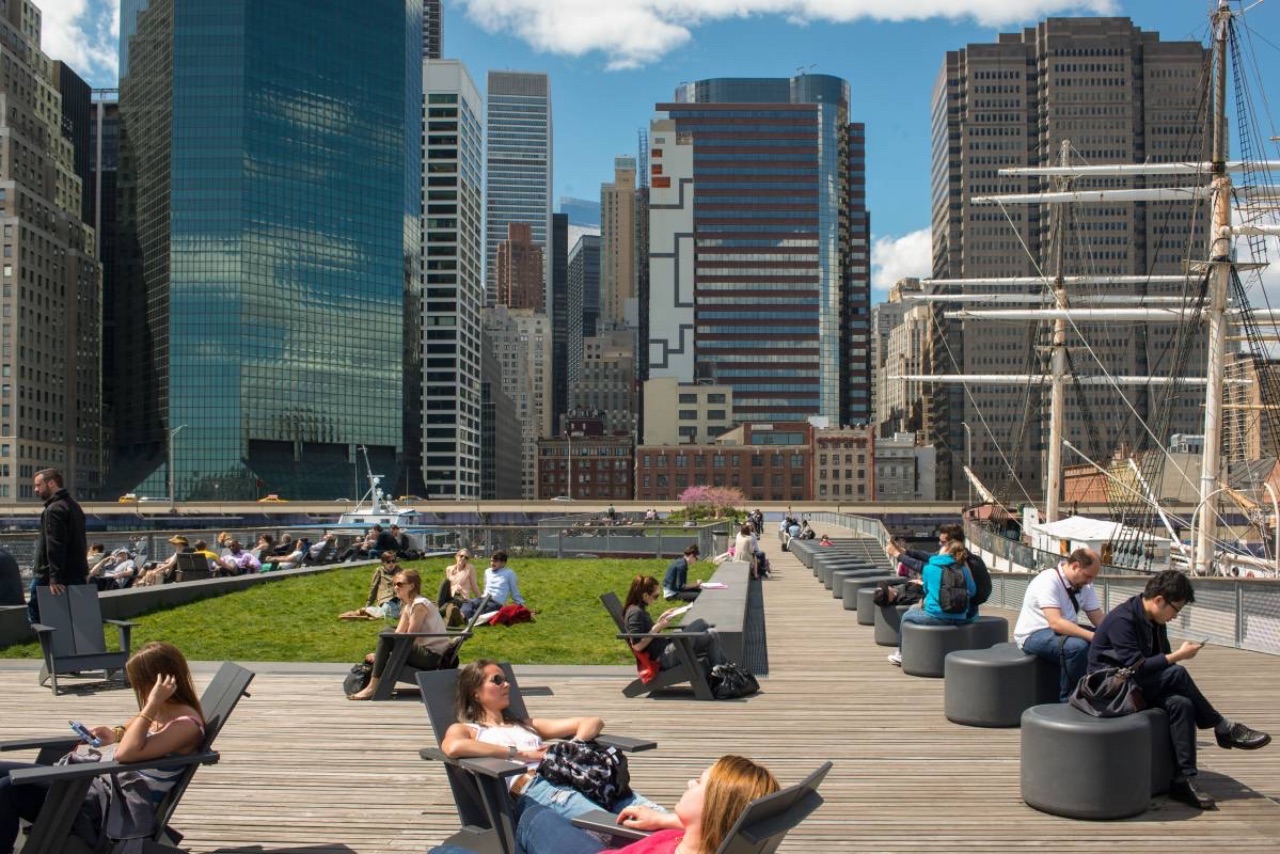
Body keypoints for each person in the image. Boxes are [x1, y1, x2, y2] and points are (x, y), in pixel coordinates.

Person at [1088, 570, 1270, 810]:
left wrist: (1172, 658)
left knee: (1181, 704)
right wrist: (1178, 656)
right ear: (1159, 600)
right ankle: (1223, 727)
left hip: (1133, 685)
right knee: (1178, 672)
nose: (1176, 616)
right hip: (1109, 689)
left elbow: (1157, 664)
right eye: (1176, 609)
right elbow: (1138, 668)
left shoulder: (1155, 621)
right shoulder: (1123, 619)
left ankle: (1184, 779)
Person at [0, 641, 206, 853]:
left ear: (155, 683)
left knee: (6, 789)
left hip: (109, 804)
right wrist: (113, 733)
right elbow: (128, 731)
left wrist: (151, 704)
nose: (135, 687)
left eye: (137, 682)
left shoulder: (185, 725)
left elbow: (126, 753)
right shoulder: (161, 711)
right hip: (96, 783)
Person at [439, 660, 661, 822]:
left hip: (579, 779)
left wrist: (572, 746)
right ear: (475, 693)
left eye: (506, 680)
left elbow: (592, 721)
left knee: (659, 817)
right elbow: (453, 747)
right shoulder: (469, 730)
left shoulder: (526, 724)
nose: (506, 685)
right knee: (619, 828)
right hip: (538, 789)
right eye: (497, 681)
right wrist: (518, 754)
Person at [511, 754, 780, 854]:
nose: (689, 783)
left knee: (530, 814)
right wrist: (667, 820)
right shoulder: (710, 840)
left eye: (699, 782)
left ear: (714, 807)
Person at [1013, 548, 1105, 701]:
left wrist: (1113, 635)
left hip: (1061, 630)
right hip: (1034, 633)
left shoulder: (1085, 584)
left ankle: (1096, 691)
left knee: (1103, 641)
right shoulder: (1048, 580)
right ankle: (1069, 700)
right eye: (1088, 576)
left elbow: (1098, 617)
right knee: (1077, 648)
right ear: (1075, 566)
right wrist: (1093, 636)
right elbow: (1056, 623)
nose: (1090, 582)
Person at [348, 568, 451, 700]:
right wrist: (381, 655)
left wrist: (387, 655)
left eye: (400, 584)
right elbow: (399, 634)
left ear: (412, 586)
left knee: (387, 633)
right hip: (424, 653)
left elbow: (409, 637)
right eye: (394, 584)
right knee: (387, 632)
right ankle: (373, 685)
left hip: (432, 657)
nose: (396, 587)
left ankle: (373, 686)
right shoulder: (409, 606)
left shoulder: (419, 605)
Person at [888, 539, 977, 666]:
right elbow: (972, 591)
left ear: (945, 551)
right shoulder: (963, 569)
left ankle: (901, 654)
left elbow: (926, 590)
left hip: (937, 617)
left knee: (907, 617)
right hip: (961, 616)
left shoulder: (930, 568)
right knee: (915, 610)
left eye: (942, 546)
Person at [623, 575, 728, 673]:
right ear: (645, 595)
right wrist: (657, 627)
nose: (656, 600)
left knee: (711, 632)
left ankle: (721, 672)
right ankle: (723, 674)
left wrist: (661, 619)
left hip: (666, 649)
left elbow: (648, 633)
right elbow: (637, 646)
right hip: (663, 657)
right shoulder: (635, 613)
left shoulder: (638, 610)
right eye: (655, 596)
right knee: (702, 623)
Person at [28, 468, 88, 623]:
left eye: (38, 485)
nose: (36, 489)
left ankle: (43, 645)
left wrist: (55, 578)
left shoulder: (54, 509)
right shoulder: (74, 506)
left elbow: (55, 543)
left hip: (48, 574)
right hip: (75, 572)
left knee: (37, 615)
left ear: (51, 483)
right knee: (72, 620)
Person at [339, 552, 402, 620]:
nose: (391, 563)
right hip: (386, 599)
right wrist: (368, 604)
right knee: (387, 609)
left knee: (396, 613)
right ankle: (363, 611)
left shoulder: (401, 572)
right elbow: (373, 588)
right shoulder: (379, 571)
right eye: (388, 561)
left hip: (399, 599)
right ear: (383, 563)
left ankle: (368, 614)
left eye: (393, 561)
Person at [461, 551, 524, 619]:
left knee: (480, 611)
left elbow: (514, 590)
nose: (492, 563)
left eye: (495, 561)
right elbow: (486, 587)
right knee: (468, 602)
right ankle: (463, 616)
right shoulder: (487, 571)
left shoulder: (509, 573)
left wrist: (520, 604)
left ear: (503, 563)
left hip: (496, 602)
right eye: (491, 561)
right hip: (483, 599)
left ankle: (463, 616)